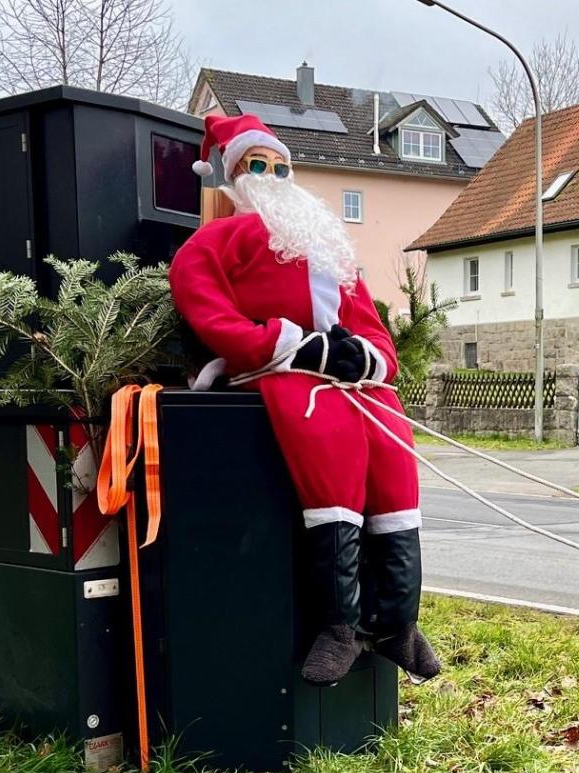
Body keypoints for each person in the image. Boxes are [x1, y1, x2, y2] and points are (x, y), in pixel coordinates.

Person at [168, 114, 439, 686]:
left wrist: (365, 358)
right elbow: (207, 307)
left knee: (394, 449)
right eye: (259, 167)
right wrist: (286, 344)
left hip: (344, 376)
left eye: (282, 167)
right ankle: (338, 625)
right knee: (328, 441)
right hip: (280, 370)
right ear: (235, 176)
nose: (273, 177)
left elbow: (370, 323)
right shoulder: (216, 239)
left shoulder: (325, 244)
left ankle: (397, 621)